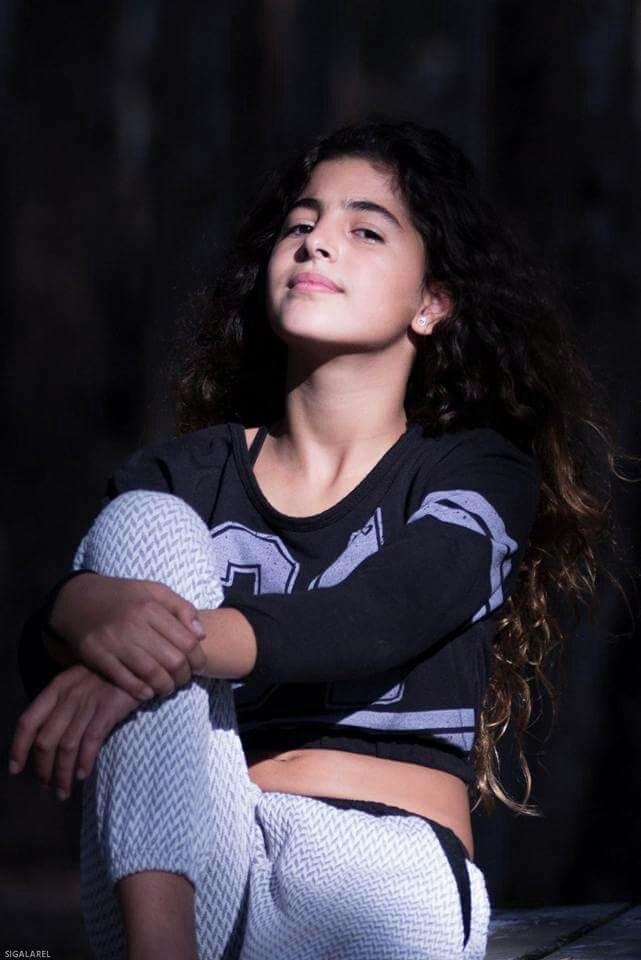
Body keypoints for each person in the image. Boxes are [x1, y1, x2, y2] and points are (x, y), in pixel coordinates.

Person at [9, 116, 629, 960]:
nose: (315, 242)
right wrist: (75, 610)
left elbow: (384, 611)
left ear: (431, 303)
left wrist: (150, 652)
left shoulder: (474, 472)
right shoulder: (185, 473)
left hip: (381, 873)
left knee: (130, 614)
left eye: (364, 230)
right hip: (196, 865)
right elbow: (47, 663)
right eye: (299, 223)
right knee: (140, 524)